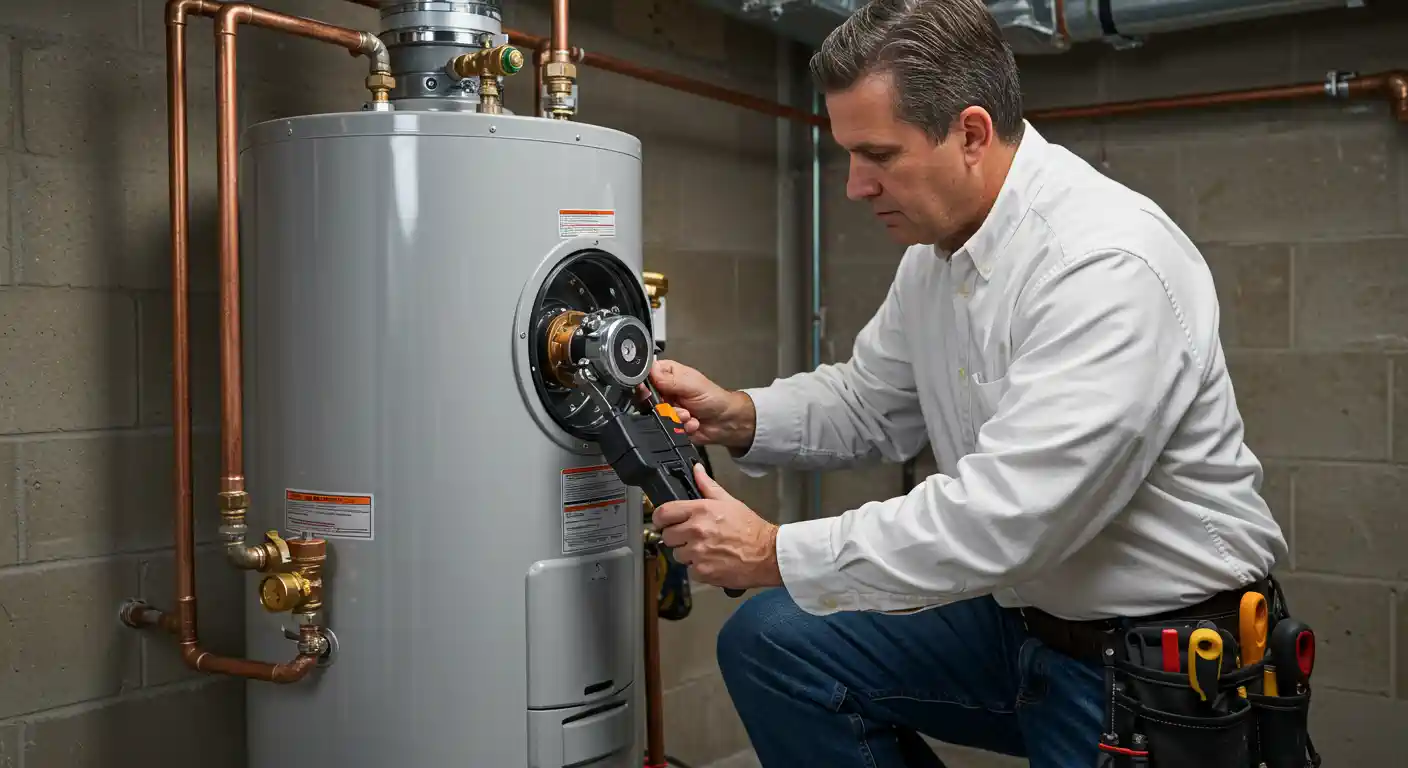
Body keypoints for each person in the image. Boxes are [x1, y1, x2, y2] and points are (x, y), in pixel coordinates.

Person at [645, 0, 1290, 765]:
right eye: (848, 153)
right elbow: (868, 400)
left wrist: (774, 551)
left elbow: (1009, 517)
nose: (855, 185)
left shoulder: (1105, 264)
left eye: (878, 154)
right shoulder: (937, 251)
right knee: (775, 644)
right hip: (1020, 622)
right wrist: (739, 415)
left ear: (973, 134)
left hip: (1150, 660)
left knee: (788, 597)